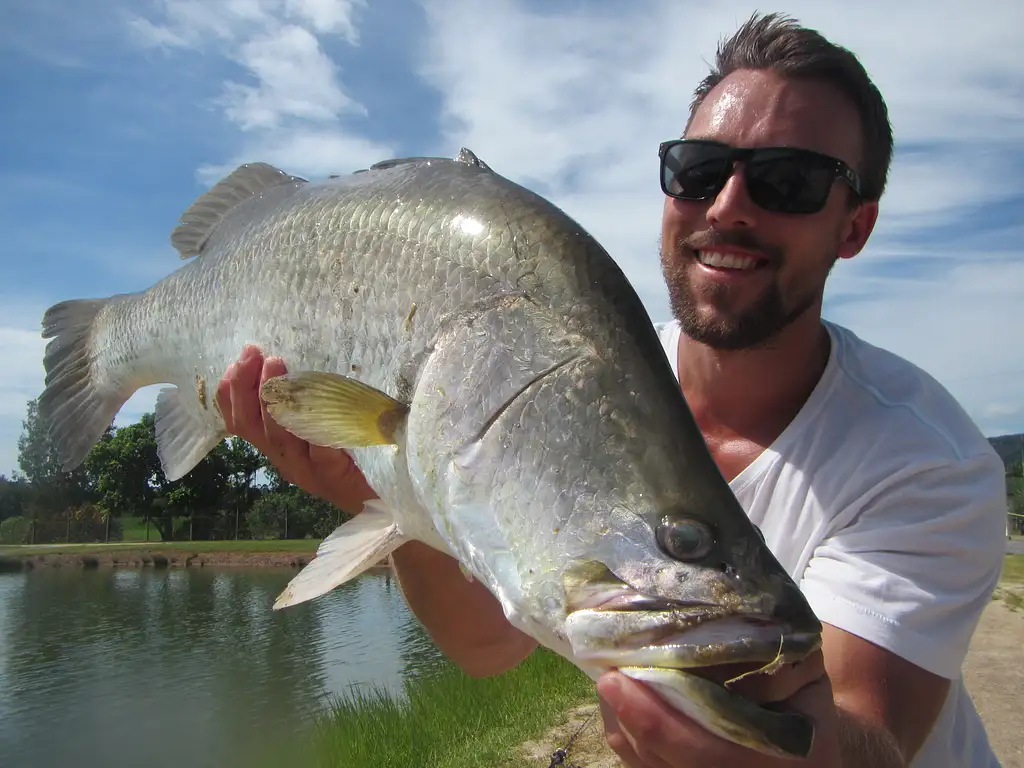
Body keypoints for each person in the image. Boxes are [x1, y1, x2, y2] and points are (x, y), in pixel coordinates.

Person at [215, 13, 1007, 768]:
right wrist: (388, 496)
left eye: (790, 181)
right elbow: (487, 647)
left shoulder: (926, 461)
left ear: (854, 228)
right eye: (698, 170)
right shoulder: (567, 384)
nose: (728, 206)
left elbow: (873, 734)